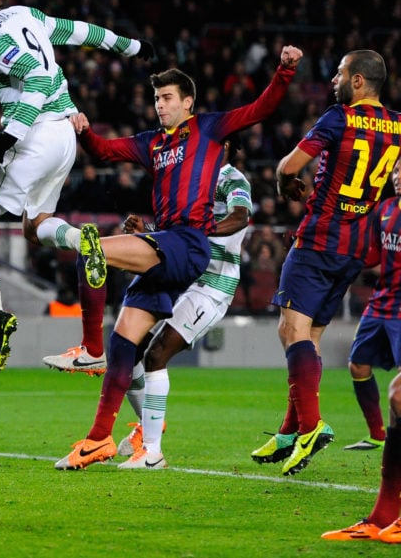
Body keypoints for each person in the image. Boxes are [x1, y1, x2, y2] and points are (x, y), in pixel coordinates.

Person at [51, 45, 302, 471]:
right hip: (175, 252)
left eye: (167, 98)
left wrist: (284, 71)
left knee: (90, 248)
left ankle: (91, 352)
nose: (160, 105)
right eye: (156, 99)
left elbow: (261, 109)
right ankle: (104, 440)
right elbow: (104, 152)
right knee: (126, 344)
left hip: (194, 256)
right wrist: (83, 131)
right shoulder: (153, 144)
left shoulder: (210, 133)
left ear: (188, 102)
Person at [0, 0, 153, 373]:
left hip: (35, 134)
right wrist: (132, 46)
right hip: (64, 134)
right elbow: (79, 31)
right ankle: (84, 241)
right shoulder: (24, 15)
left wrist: (13, 131)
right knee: (35, 225)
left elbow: (37, 79)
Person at [254, 49, 401, 477]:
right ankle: (289, 430)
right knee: (311, 336)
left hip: (321, 237)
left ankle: (311, 426)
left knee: (290, 329)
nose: (334, 79)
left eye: (339, 72)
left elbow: (288, 165)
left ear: (358, 81)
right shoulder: (396, 125)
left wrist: (286, 184)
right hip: (356, 247)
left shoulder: (339, 117)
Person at [115, 136, 252, 469]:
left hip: (213, 286)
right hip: (184, 276)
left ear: (227, 147)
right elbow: (176, 233)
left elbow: (240, 216)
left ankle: (152, 452)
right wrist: (147, 231)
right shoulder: (190, 180)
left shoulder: (232, 178)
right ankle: (148, 428)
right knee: (131, 348)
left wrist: (201, 232)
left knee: (157, 354)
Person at [322, 159, 401, 541]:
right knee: (362, 369)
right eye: (397, 170)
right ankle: (381, 517)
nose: (398, 176)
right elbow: (371, 255)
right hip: (383, 303)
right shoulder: (385, 210)